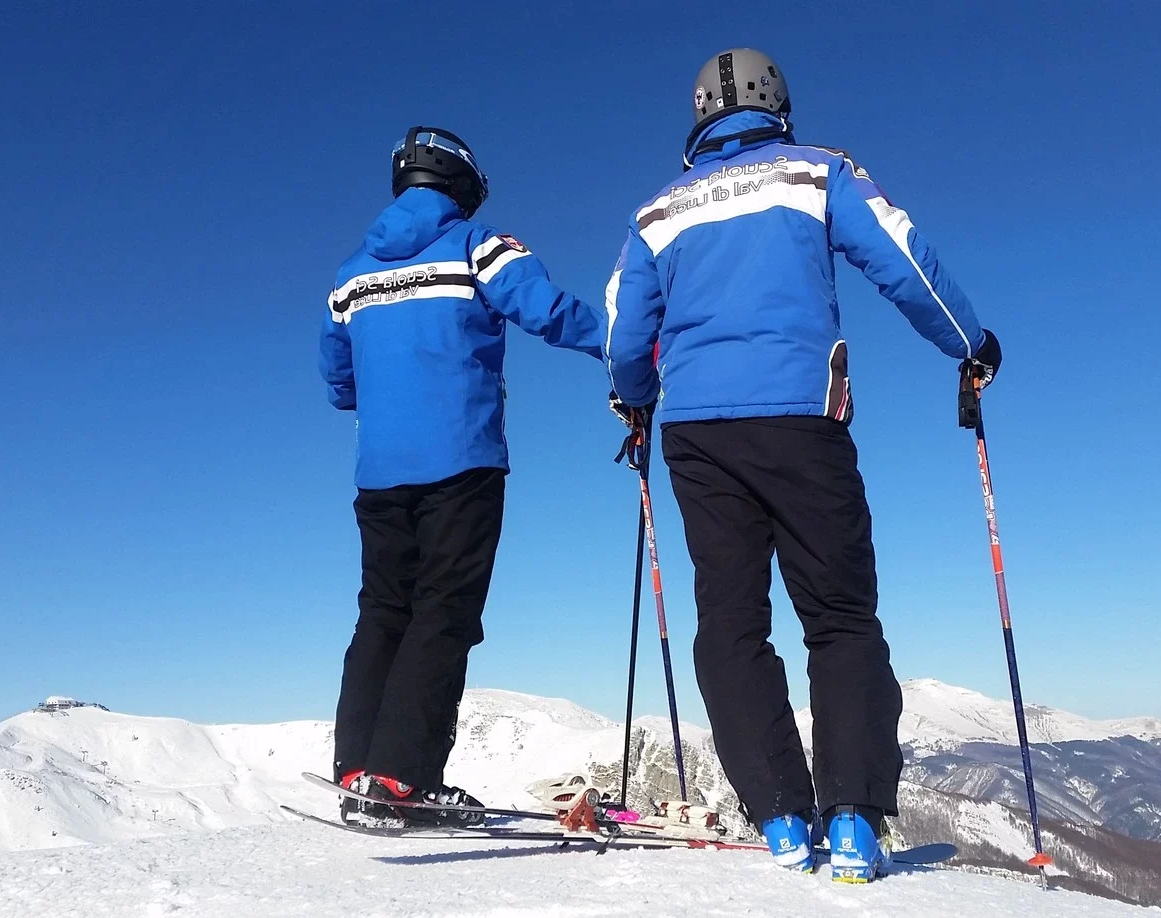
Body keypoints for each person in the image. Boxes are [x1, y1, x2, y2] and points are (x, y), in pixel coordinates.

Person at [603, 50, 1003, 882]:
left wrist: (637, 398)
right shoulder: (816, 171)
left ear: (701, 111)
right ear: (776, 103)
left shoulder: (657, 213)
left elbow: (624, 333)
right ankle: (853, 821)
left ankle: (782, 817)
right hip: (799, 418)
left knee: (731, 618)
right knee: (840, 613)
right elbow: (902, 258)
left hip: (700, 435)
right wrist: (970, 345)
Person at [321, 126, 606, 827]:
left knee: (383, 611)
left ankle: (357, 770)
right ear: (463, 184)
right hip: (462, 462)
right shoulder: (480, 245)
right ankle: (402, 780)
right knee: (443, 613)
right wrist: (630, 345)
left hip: (379, 474)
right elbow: (546, 311)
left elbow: (337, 384)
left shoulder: (349, 275)